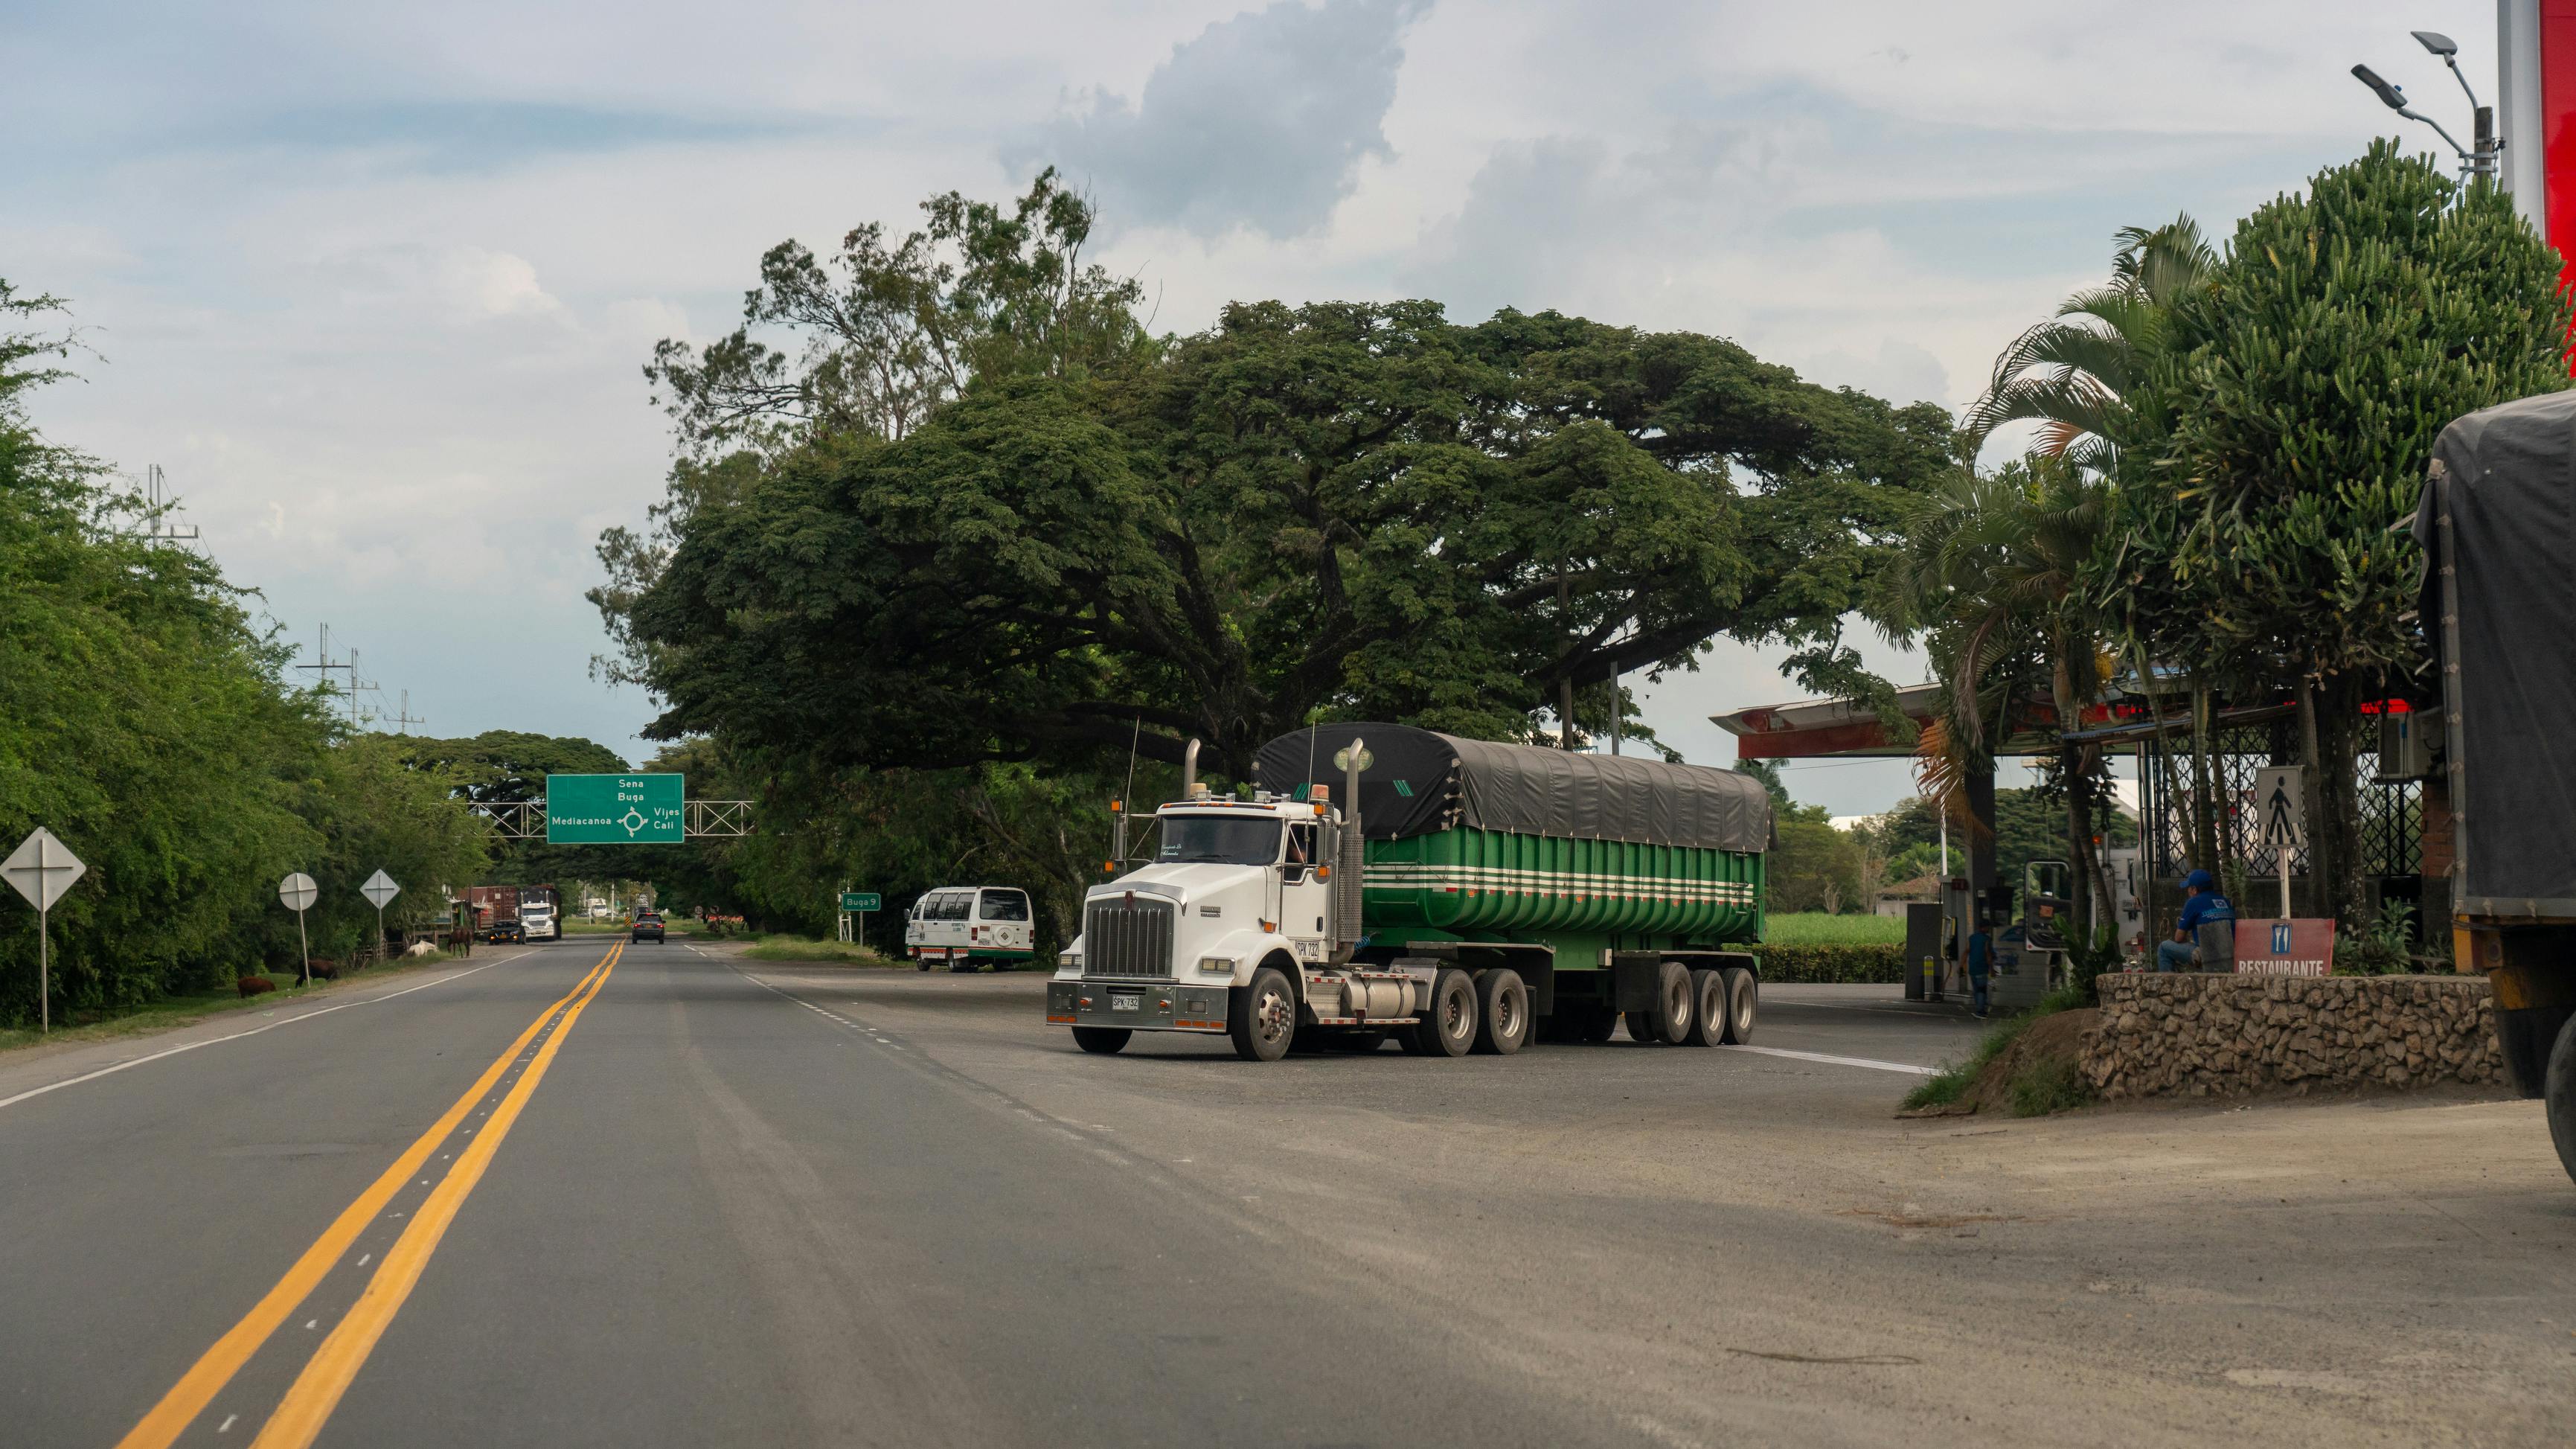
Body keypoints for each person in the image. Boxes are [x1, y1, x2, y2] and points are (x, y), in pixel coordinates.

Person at [2155, 869, 2235, 971]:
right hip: (2230, 954)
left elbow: (2178, 937)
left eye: (2189, 888)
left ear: (2194, 889)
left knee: (2164, 948)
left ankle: (2167, 984)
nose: (2188, 891)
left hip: (2206, 955)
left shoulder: (2193, 902)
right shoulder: (2225, 901)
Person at [1964, 919, 1993, 1018]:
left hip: (1972, 968)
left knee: (1976, 990)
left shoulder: (1971, 938)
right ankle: (1980, 1011)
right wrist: (1991, 968)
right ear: (1984, 928)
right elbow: (1988, 954)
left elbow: (1966, 951)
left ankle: (1979, 1009)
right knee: (1982, 990)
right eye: (1988, 927)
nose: (1989, 929)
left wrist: (1961, 965)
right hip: (1982, 968)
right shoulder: (1987, 939)